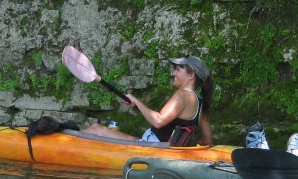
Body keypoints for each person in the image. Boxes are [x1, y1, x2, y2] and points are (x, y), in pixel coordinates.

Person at [85, 55, 214, 146]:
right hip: (156, 147)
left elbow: (158, 121)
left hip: (151, 150)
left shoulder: (183, 95)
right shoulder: (199, 101)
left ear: (191, 75)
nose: (173, 73)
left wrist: (136, 101)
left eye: (178, 70)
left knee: (96, 129)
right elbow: (206, 140)